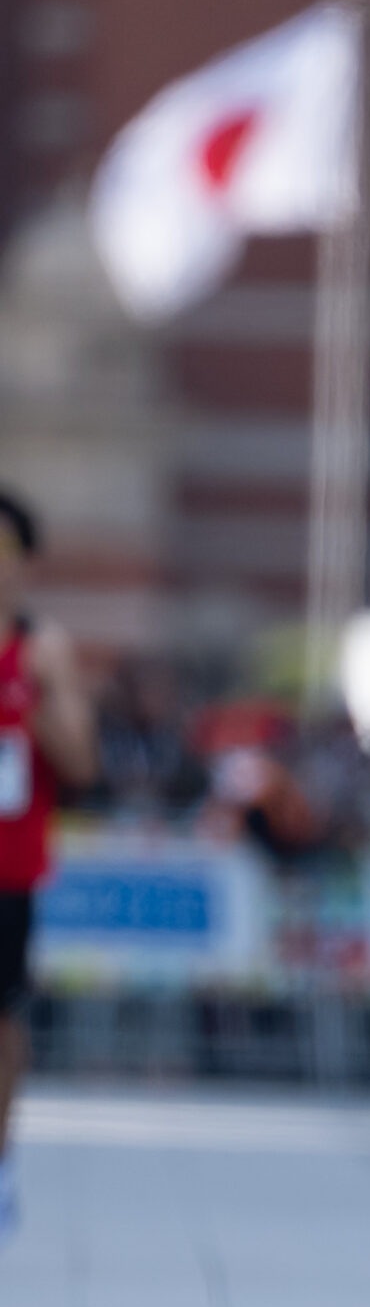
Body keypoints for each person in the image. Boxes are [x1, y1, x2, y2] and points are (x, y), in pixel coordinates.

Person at [0, 493, 97, 1246]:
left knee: (2, 1022)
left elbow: (82, 763)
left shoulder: (44, 651)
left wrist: (28, 698)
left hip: (11, 867)